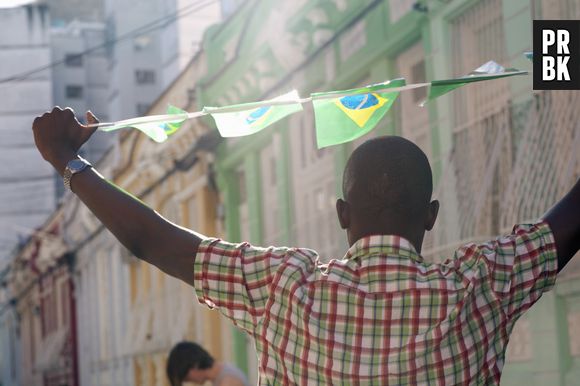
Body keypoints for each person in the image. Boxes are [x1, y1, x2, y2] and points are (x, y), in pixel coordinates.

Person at [32, 107, 579, 385]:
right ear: (431, 217)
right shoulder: (481, 285)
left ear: (342, 215)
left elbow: (151, 239)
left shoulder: (282, 289)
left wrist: (69, 160)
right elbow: (568, 223)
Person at [166, 341, 249, 386]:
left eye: (187, 378)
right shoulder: (220, 377)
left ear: (194, 365)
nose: (190, 382)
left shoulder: (228, 381)